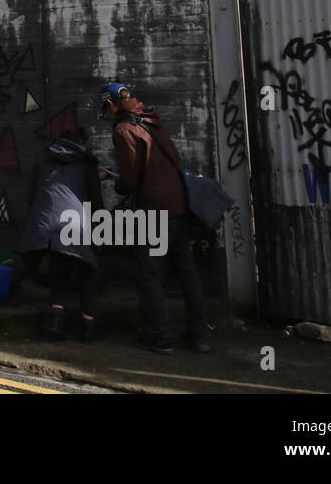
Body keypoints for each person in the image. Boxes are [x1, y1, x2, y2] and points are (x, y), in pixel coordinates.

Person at [102, 81, 212, 354]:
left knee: (149, 273)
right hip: (178, 205)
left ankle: (158, 335)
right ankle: (200, 335)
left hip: (154, 210)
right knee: (187, 271)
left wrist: (115, 182)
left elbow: (129, 177)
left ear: (110, 104)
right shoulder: (152, 118)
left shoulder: (123, 128)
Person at [17, 125, 104, 342]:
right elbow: (95, 201)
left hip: (45, 220)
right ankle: (88, 327)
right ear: (82, 142)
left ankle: (57, 320)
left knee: (61, 267)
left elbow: (32, 194)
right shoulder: (86, 162)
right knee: (88, 269)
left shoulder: (44, 157)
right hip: (73, 222)